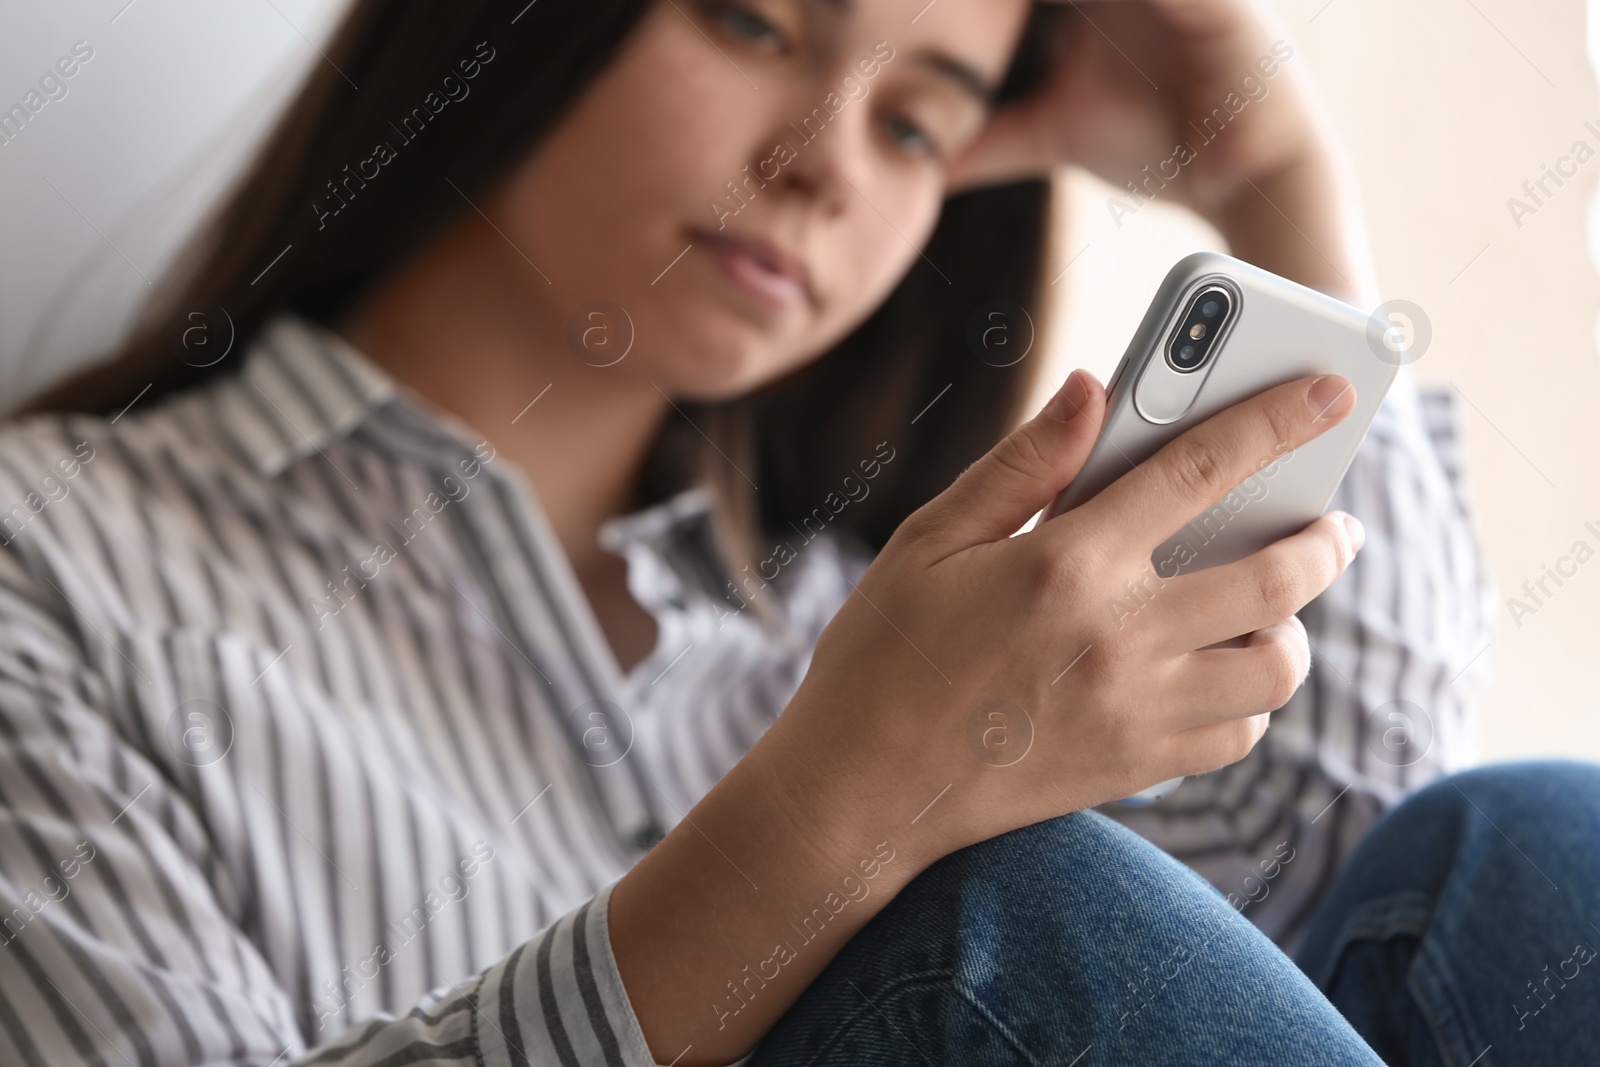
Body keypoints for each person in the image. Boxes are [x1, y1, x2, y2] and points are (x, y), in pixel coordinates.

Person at [0, 0, 1589, 1064]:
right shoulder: (57, 567)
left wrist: (1271, 168)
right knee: (1011, 920)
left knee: (1523, 850)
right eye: (758, 20)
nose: (828, 156)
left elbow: (1359, 871)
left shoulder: (857, 616)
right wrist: (849, 803)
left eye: (918, 122)